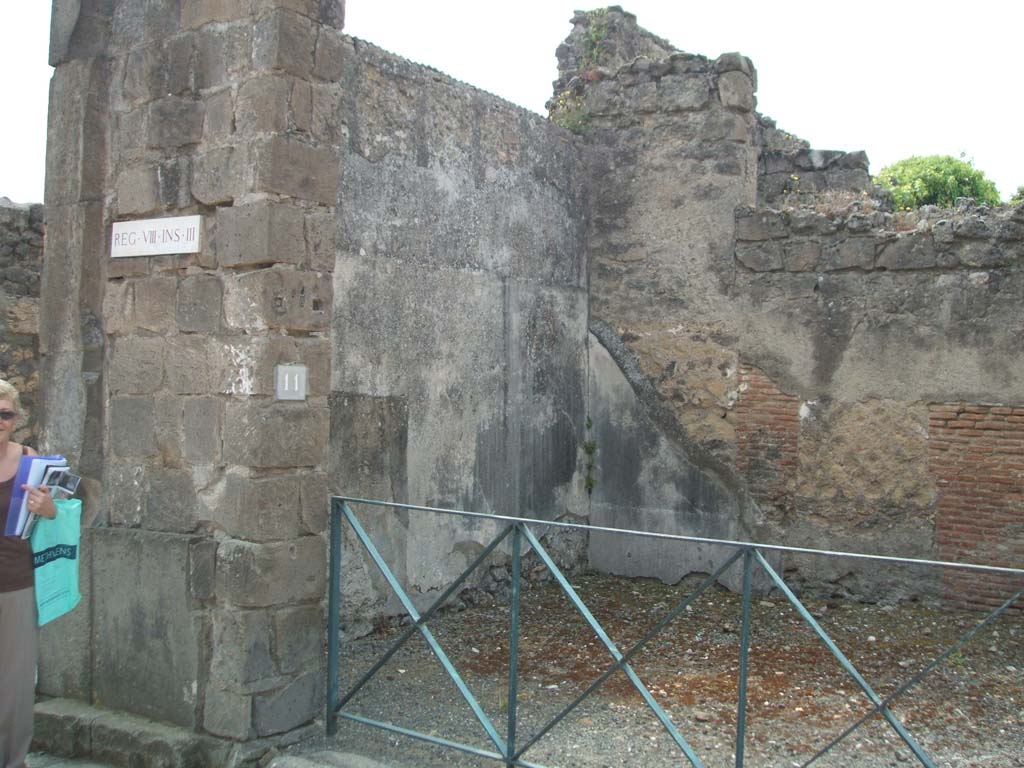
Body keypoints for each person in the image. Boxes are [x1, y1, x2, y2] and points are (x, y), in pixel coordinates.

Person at [0, 379, 56, 768]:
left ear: (16, 418)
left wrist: (47, 506)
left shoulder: (30, 460)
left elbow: (54, 516)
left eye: (4, 413)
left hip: (16, 582)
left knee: (16, 685)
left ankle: (14, 760)